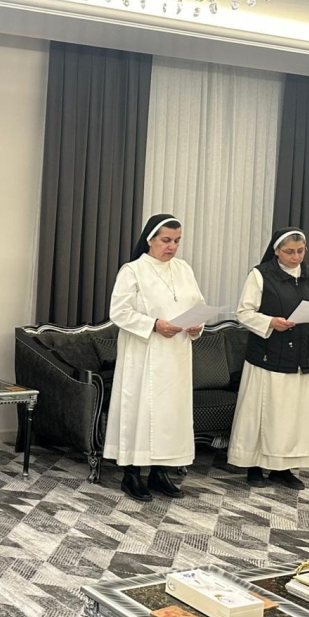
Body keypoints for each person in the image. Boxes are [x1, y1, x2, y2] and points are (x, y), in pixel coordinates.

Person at [104, 214, 206, 501]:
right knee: (141, 412)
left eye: (177, 241)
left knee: (171, 415)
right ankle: (132, 475)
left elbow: (198, 304)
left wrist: (197, 326)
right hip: (144, 355)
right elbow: (119, 312)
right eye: (166, 240)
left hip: (177, 356)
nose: (172, 247)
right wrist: (154, 324)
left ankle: (160, 473)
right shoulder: (133, 270)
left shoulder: (184, 269)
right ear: (150, 240)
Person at [227, 227, 309, 490]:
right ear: (276, 251)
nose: (296, 257)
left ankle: (282, 468)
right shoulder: (260, 275)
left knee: (293, 418)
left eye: (300, 251)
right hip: (268, 357)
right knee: (263, 415)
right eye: (289, 252)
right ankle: (253, 466)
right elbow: (244, 313)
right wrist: (270, 322)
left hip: (301, 358)